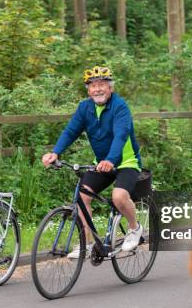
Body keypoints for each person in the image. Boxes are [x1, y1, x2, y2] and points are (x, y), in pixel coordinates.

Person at [41, 66, 143, 257]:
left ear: (110, 88)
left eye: (102, 85)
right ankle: (87, 244)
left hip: (126, 162)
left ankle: (134, 228)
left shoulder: (120, 107)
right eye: (93, 85)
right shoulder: (85, 108)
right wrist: (55, 152)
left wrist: (111, 160)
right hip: (101, 163)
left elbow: (121, 135)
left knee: (119, 197)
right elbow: (71, 131)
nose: (97, 89)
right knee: (82, 197)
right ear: (88, 90)